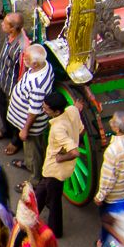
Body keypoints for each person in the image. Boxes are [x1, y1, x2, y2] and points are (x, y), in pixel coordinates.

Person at [36, 91, 82, 238]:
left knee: (52, 199)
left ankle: (54, 230)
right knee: (43, 193)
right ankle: (31, 216)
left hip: (54, 169)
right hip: (60, 170)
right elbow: (81, 129)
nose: (43, 110)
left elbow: (75, 152)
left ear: (56, 111)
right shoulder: (72, 111)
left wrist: (61, 158)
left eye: (46, 109)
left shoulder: (58, 128)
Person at [7, 44, 54, 177]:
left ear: (34, 64)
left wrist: (25, 129)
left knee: (33, 152)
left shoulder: (37, 86)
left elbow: (34, 111)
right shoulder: (45, 65)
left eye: (26, 58)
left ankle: (35, 179)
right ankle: (29, 163)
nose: (23, 58)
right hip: (28, 124)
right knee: (31, 151)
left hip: (31, 127)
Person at [0, 12, 26, 156]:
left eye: (5, 23)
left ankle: (16, 141)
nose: (2, 24)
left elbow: (22, 72)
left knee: (14, 113)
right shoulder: (10, 36)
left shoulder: (22, 48)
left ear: (13, 29)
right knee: (0, 104)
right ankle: (5, 129)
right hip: (2, 77)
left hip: (12, 86)